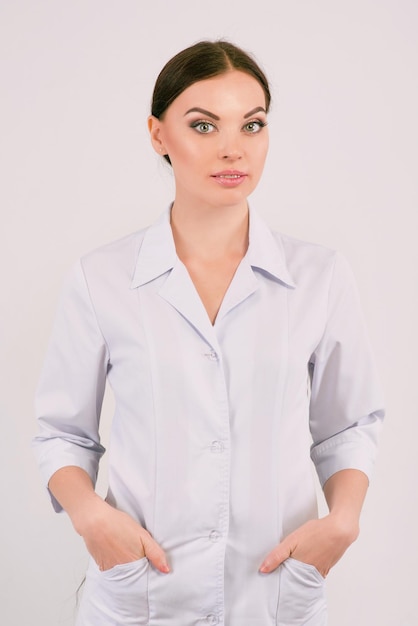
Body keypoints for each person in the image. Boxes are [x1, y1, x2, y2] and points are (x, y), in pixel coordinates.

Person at [33, 40, 384, 626]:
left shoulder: (319, 277)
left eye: (252, 125)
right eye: (203, 125)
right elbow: (62, 433)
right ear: (157, 134)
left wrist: (343, 521)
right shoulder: (103, 278)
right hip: (143, 594)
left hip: (275, 594)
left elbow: (349, 425)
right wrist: (91, 517)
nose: (232, 149)